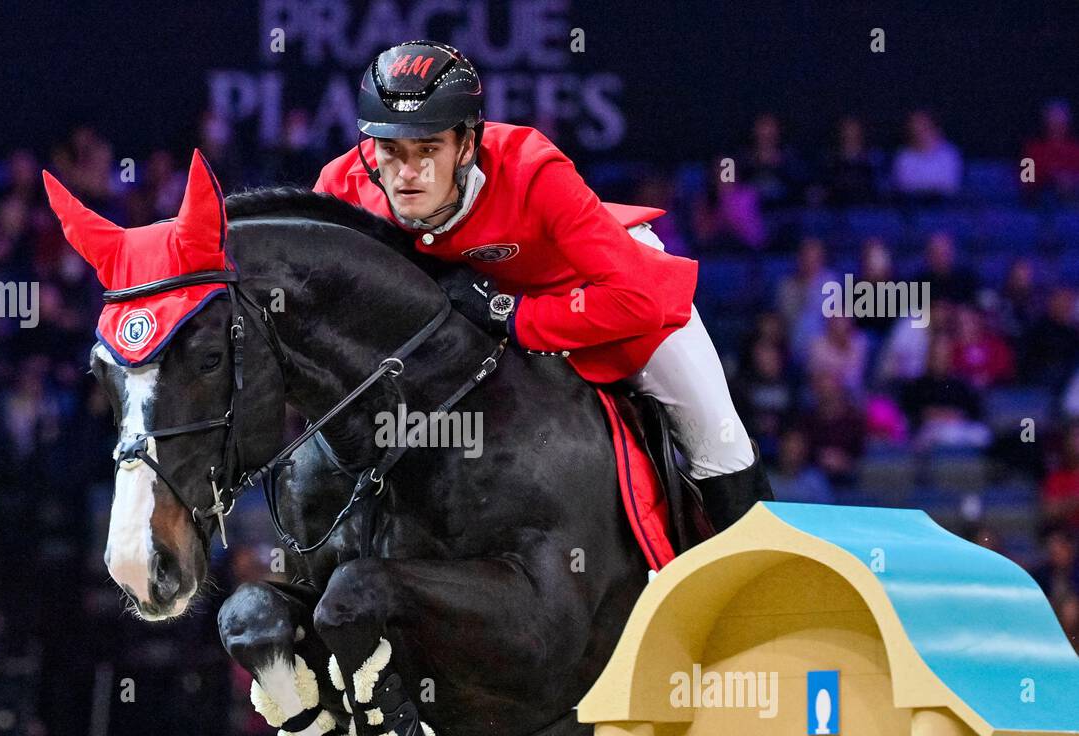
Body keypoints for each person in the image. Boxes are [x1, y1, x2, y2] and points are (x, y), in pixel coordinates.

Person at [313, 41, 770, 530]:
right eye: (391, 151)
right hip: (481, 327)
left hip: (605, 292)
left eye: (428, 149)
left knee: (720, 447)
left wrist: (514, 314)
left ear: (467, 145)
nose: (407, 173)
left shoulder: (532, 168)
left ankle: (761, 584)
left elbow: (637, 302)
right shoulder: (341, 188)